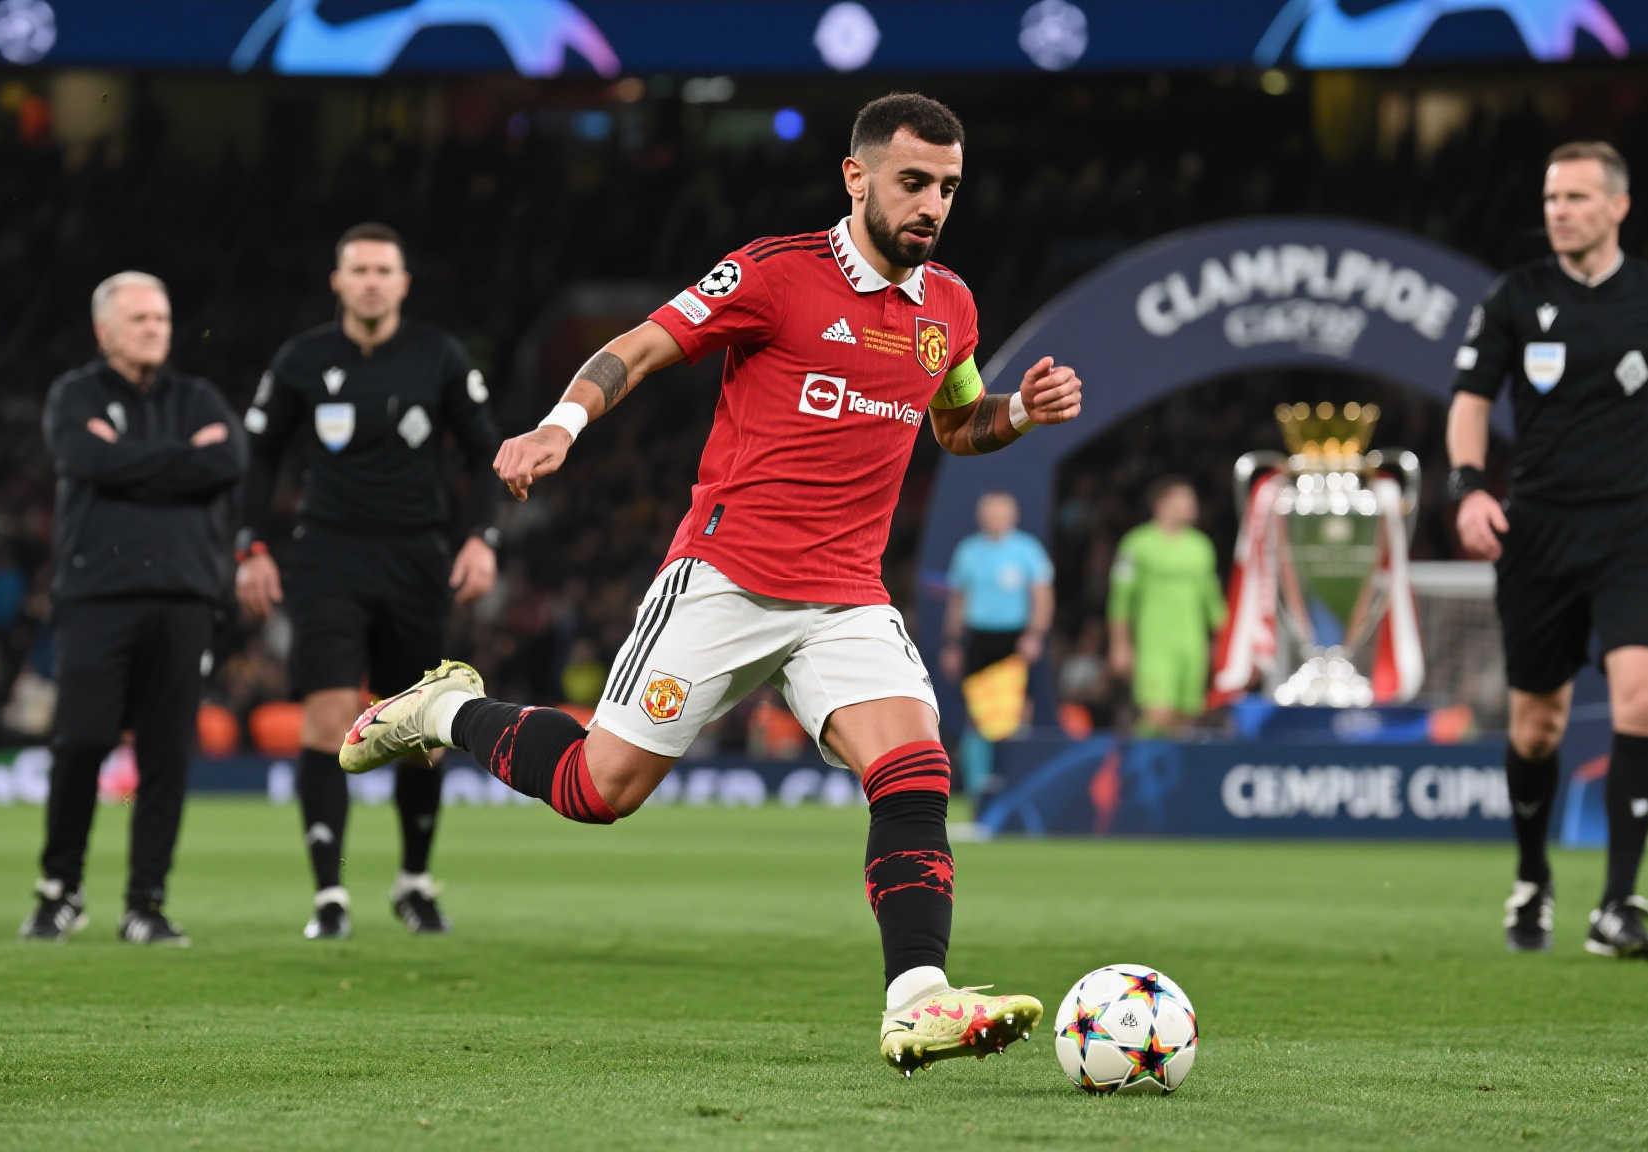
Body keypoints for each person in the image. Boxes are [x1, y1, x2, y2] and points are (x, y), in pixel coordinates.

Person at [340, 94, 1083, 1075]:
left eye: (947, 187)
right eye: (912, 182)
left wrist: (1018, 413)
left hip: (846, 597)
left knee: (914, 770)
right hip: (724, 581)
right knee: (596, 790)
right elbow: (641, 344)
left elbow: (954, 422)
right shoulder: (775, 274)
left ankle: (917, 1000)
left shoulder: (949, 305)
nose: (931, 205)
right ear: (855, 177)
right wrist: (560, 425)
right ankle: (443, 710)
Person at [1448, 141, 1648, 960]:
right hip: (1538, 535)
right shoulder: (1515, 296)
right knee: (1538, 726)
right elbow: (1470, 399)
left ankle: (1617, 905)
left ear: (1618, 206)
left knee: (1642, 699)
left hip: (1635, 531)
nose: (1559, 212)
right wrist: (1468, 487)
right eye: (1551, 199)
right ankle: (1532, 875)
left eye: (1576, 197)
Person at [235, 223, 501, 940]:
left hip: (417, 558)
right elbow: (259, 458)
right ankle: (330, 896)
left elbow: (485, 453)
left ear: (403, 283)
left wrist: (481, 538)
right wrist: (251, 547)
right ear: (338, 281)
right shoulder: (302, 359)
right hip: (327, 556)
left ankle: (414, 881)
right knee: (327, 720)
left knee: (420, 730)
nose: (372, 282)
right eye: (360, 270)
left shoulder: (439, 356)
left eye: (385, 270)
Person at [25, 271, 245, 945]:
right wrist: (180, 462)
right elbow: (86, 458)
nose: (155, 329)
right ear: (105, 331)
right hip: (97, 596)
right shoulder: (75, 395)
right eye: (140, 319)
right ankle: (60, 889)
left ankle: (144, 904)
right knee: (81, 741)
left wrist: (125, 461)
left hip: (183, 598)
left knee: (166, 754)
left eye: (162, 318)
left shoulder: (199, 396)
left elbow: (229, 461)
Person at [940, 490, 1053, 791]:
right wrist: (952, 642)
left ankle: (1016, 781)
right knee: (978, 712)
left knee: (1018, 711)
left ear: (1013, 516)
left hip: (1014, 638)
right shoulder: (968, 551)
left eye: (1001, 512)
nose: (995, 518)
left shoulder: (1027, 550)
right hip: (979, 637)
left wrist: (1035, 634)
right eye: (990, 513)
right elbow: (958, 599)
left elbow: (1042, 596)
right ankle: (978, 787)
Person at [1108, 478, 1225, 736]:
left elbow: (1212, 599)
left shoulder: (1201, 546)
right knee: (1158, 713)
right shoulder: (1137, 543)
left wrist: (1223, 641)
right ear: (1161, 504)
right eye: (1184, 500)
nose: (1191, 506)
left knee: (1184, 717)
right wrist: (1120, 644)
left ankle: (1168, 763)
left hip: (1192, 643)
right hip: (1154, 643)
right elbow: (1120, 599)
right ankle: (1134, 757)